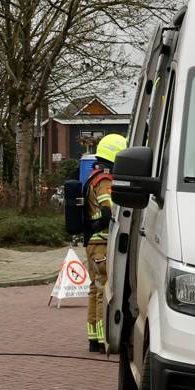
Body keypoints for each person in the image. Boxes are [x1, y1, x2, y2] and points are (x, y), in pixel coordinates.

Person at [83, 134, 127, 352]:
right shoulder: (105, 180)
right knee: (103, 290)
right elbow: (108, 210)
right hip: (102, 243)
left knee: (94, 288)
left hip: (92, 243)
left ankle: (93, 337)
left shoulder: (93, 176)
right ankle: (103, 340)